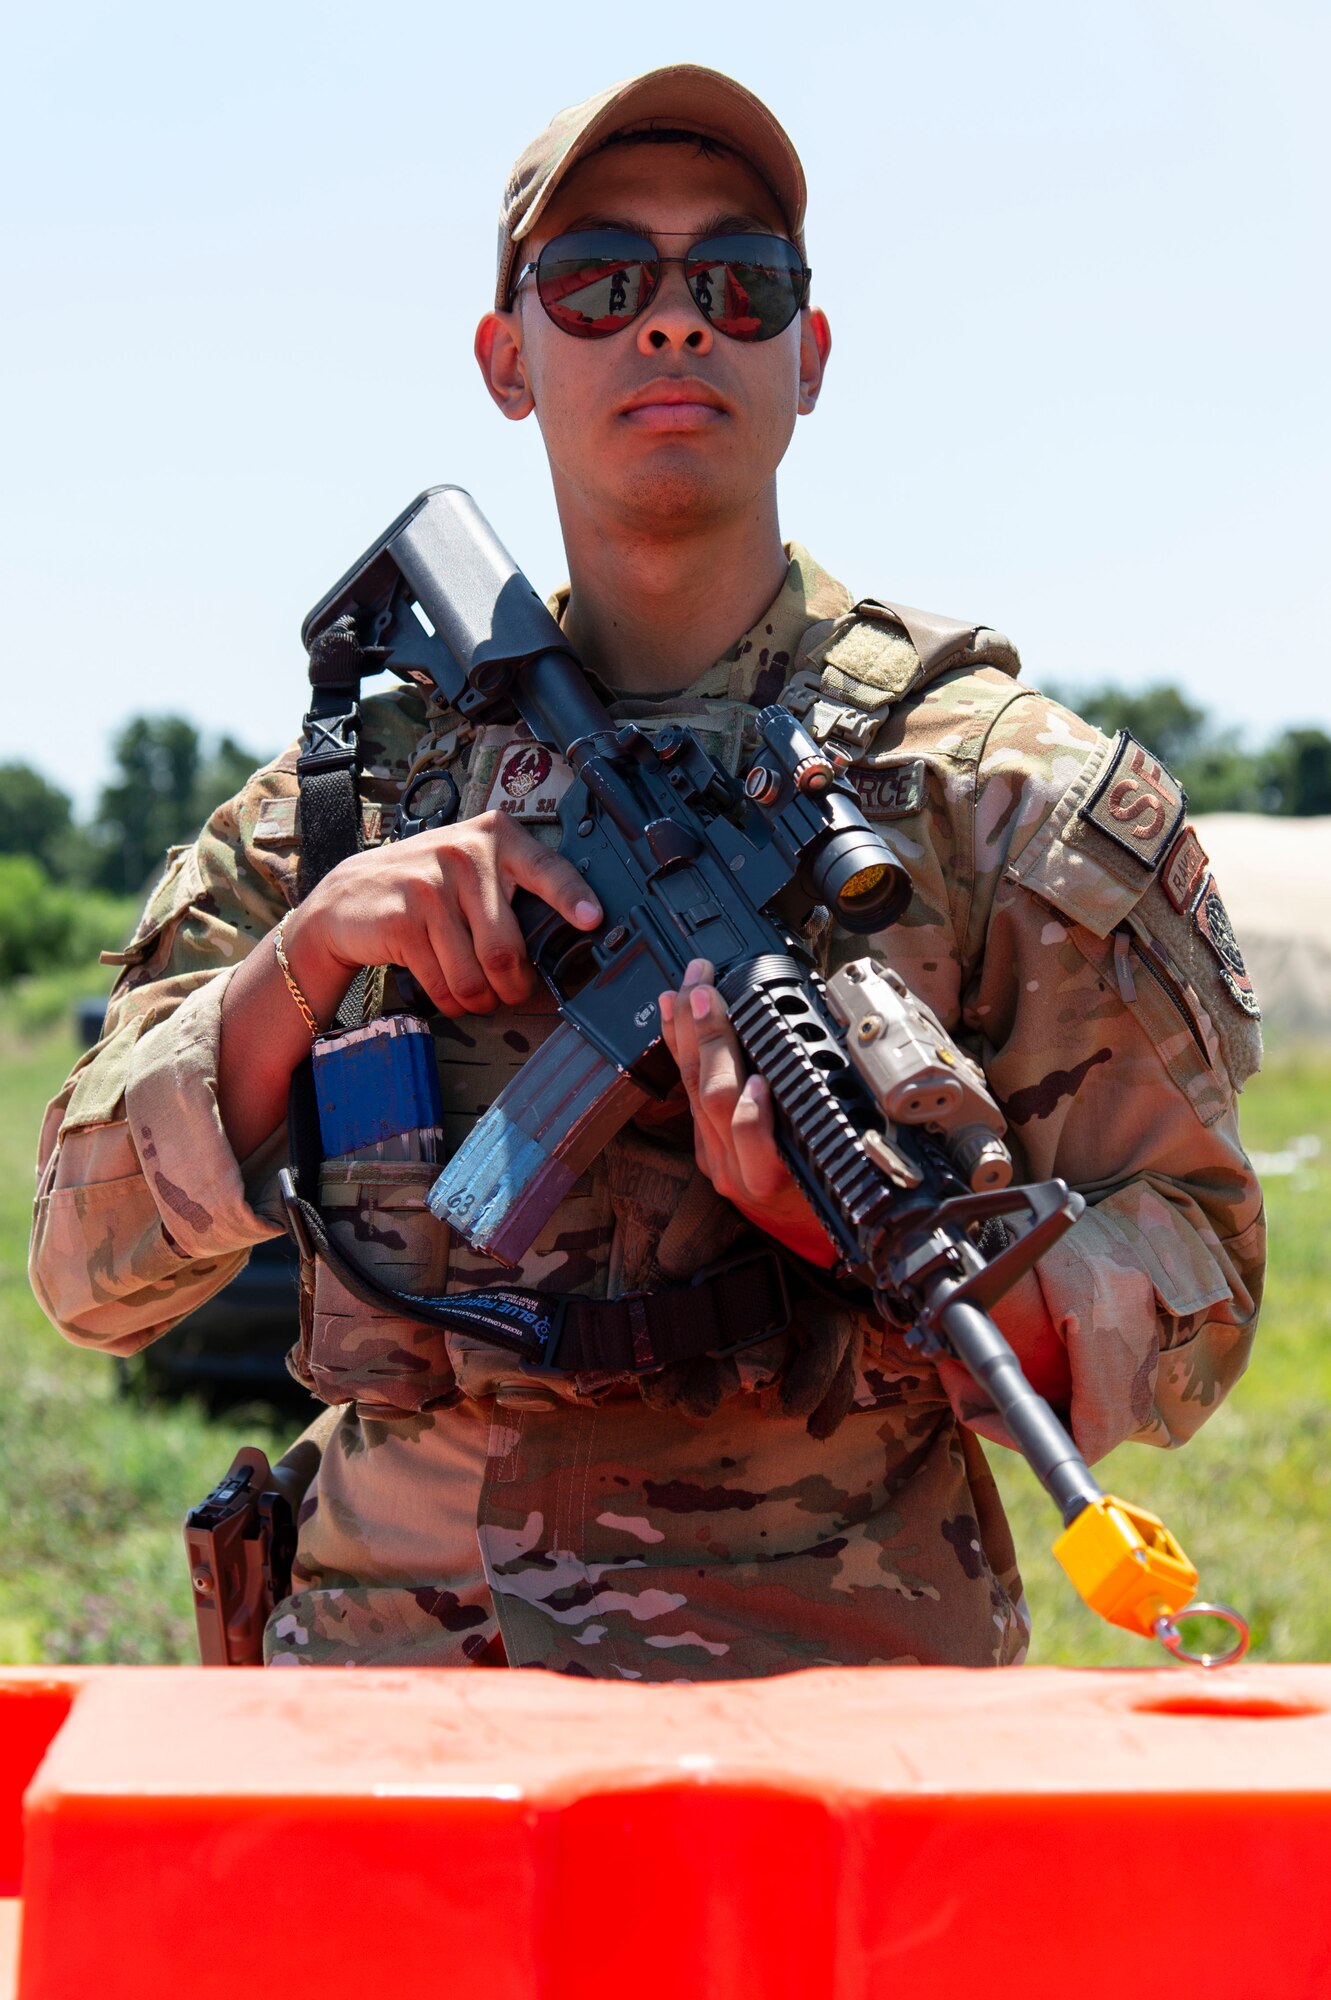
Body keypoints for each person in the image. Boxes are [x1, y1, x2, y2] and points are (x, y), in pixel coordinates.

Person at [30, 65, 1265, 1675]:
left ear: (808, 356)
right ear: (508, 359)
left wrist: (861, 1230)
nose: (673, 326)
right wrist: (304, 969)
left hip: (829, 1685)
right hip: (385, 1688)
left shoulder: (997, 793)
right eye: (600, 282)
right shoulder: (346, 806)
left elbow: (1198, 1287)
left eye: (736, 284)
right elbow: (81, 1271)